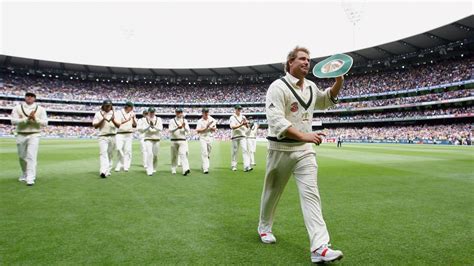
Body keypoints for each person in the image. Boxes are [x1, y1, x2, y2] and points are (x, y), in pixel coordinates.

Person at [257, 46, 344, 263]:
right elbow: (276, 120)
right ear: (290, 63)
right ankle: (264, 227)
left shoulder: (312, 87)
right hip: (280, 149)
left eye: (309, 59)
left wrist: (338, 82)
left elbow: (325, 100)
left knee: (311, 195)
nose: (307, 62)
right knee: (272, 192)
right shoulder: (277, 87)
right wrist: (304, 136)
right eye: (302, 59)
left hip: (305, 152)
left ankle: (319, 247)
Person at [10, 92, 48, 186]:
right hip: (21, 134)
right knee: (22, 157)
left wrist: (35, 119)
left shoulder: (40, 109)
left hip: (34, 134)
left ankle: (30, 177)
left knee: (31, 156)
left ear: (34, 98)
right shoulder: (17, 108)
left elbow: (45, 123)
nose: (29, 98)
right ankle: (25, 173)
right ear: (25, 98)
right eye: (28, 96)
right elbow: (13, 121)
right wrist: (26, 119)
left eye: (31, 97)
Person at [92, 100, 120, 178]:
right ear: (103, 106)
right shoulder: (98, 113)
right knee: (103, 153)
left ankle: (107, 171)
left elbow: (118, 126)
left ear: (111, 106)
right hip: (103, 136)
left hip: (113, 135)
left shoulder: (115, 113)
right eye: (106, 106)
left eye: (109, 105)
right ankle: (103, 171)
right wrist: (103, 119)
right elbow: (95, 126)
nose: (108, 107)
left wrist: (113, 120)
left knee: (110, 154)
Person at [139, 107, 163, 176]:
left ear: (154, 112)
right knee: (149, 154)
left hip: (156, 138)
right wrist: (148, 127)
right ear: (148, 112)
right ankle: (149, 169)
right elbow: (141, 130)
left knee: (155, 155)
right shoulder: (144, 120)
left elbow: (160, 128)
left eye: (153, 112)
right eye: (150, 112)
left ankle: (154, 167)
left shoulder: (158, 119)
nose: (151, 113)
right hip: (148, 138)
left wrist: (154, 126)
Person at [115, 101, 136, 172]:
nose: (132, 109)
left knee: (128, 150)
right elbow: (118, 124)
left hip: (129, 134)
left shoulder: (132, 113)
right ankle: (120, 163)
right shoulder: (119, 113)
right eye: (132, 107)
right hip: (120, 133)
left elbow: (134, 125)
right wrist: (128, 119)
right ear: (128, 107)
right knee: (118, 148)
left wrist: (133, 118)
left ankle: (126, 166)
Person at [229, 105, 252, 172]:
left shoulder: (243, 116)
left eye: (240, 109)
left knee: (245, 150)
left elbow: (247, 126)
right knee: (234, 151)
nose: (239, 110)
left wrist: (246, 124)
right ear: (235, 109)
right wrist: (241, 124)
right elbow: (232, 127)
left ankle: (246, 166)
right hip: (235, 136)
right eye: (238, 109)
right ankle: (233, 165)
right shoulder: (232, 117)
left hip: (242, 135)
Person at [169, 108, 191, 175]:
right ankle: (173, 168)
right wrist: (177, 127)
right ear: (175, 113)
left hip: (182, 140)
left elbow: (188, 131)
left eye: (180, 112)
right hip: (174, 140)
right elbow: (170, 130)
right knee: (174, 156)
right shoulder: (172, 121)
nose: (178, 114)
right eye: (177, 112)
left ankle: (185, 169)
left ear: (181, 113)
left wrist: (184, 127)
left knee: (183, 155)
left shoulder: (185, 121)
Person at [196, 108, 217, 174]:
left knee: (208, 153)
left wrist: (210, 127)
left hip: (210, 137)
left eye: (207, 112)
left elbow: (214, 129)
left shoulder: (212, 120)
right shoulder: (200, 121)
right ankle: (206, 168)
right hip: (203, 137)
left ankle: (203, 165)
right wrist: (206, 127)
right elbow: (198, 131)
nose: (206, 113)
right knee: (204, 152)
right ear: (202, 113)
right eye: (205, 112)